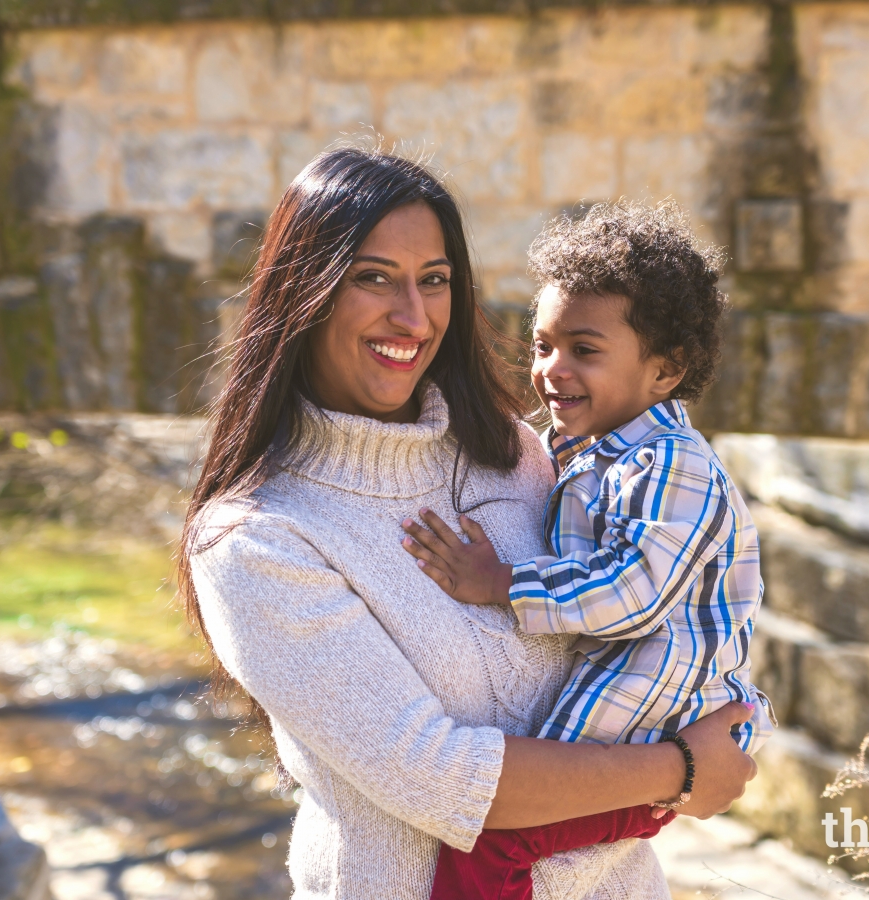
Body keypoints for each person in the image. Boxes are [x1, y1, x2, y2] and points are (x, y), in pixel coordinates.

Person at [179, 148, 757, 900]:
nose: (413, 318)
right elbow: (447, 779)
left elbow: (648, 607)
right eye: (374, 277)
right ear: (306, 292)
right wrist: (681, 770)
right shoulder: (257, 540)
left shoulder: (517, 454)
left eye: (435, 281)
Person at [401, 201, 775, 900]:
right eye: (542, 345)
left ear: (665, 372)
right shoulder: (583, 455)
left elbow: (632, 592)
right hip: (622, 729)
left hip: (651, 729)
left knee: (493, 842)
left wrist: (502, 583)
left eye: (585, 350)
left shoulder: (672, 466)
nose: (552, 370)